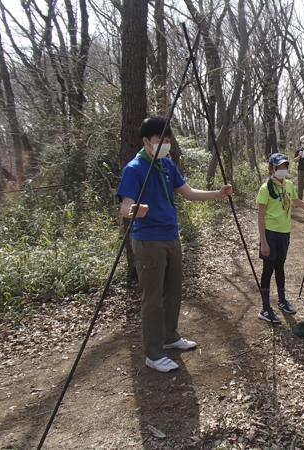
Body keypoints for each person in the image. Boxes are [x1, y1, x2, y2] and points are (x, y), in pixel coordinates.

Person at [117, 116, 233, 373]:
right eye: (162, 140)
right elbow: (125, 206)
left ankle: (170, 337)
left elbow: (189, 192)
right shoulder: (135, 168)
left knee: (173, 291)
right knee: (153, 299)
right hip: (149, 241)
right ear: (147, 141)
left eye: (168, 140)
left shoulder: (167, 164)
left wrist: (218, 193)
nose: (166, 145)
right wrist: (133, 210)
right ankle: (154, 353)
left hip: (172, 236)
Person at [257, 152, 304, 323]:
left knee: (280, 266)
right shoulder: (265, 189)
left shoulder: (288, 185)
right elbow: (260, 217)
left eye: (285, 166)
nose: (283, 169)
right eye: (279, 167)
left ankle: (282, 300)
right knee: (268, 269)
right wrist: (264, 242)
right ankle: (265, 308)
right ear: (271, 168)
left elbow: (297, 201)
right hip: (270, 234)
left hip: (284, 232)